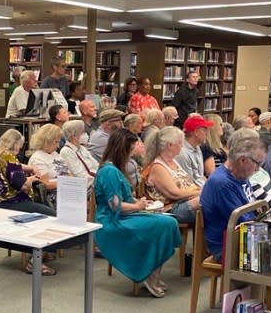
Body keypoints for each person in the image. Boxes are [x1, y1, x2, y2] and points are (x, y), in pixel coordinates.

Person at [93, 130, 181, 297]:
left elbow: (121, 199)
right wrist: (138, 206)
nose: (134, 151)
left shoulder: (114, 169)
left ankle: (150, 271)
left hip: (124, 215)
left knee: (166, 221)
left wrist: (139, 203)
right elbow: (115, 206)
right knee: (165, 224)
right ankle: (149, 272)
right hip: (113, 220)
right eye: (132, 147)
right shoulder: (109, 171)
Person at [0, 130, 56, 275]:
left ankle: (44, 251)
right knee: (51, 216)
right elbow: (23, 185)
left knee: (43, 210)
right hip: (12, 203)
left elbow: (14, 166)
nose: (20, 148)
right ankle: (35, 261)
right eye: (20, 145)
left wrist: (29, 168)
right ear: (14, 144)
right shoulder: (10, 158)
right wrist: (33, 178)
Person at [200, 134, 267, 259]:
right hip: (229, 246)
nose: (258, 169)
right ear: (242, 160)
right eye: (257, 163)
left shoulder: (240, 175)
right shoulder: (222, 183)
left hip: (243, 238)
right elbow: (243, 222)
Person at [142, 126, 201, 224]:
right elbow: (175, 193)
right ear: (170, 145)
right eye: (180, 143)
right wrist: (200, 193)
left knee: (212, 199)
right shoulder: (157, 167)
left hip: (184, 202)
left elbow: (188, 184)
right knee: (208, 198)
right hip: (170, 209)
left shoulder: (174, 162)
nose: (182, 146)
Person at [28, 124, 70, 205]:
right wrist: (67, 182)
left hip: (65, 190)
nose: (58, 146)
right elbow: (45, 185)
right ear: (47, 141)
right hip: (51, 197)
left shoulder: (55, 154)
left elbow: (68, 174)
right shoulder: (38, 158)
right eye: (56, 142)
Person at [60, 120, 99, 191]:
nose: (86, 135)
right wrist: (99, 180)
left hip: (96, 179)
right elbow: (79, 175)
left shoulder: (82, 148)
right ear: (74, 136)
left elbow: (96, 165)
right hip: (87, 187)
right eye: (83, 132)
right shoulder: (66, 151)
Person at [176, 114, 213, 186]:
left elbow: (200, 177)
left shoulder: (197, 147)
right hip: (193, 194)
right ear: (196, 132)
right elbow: (188, 184)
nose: (207, 134)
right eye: (205, 130)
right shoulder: (182, 154)